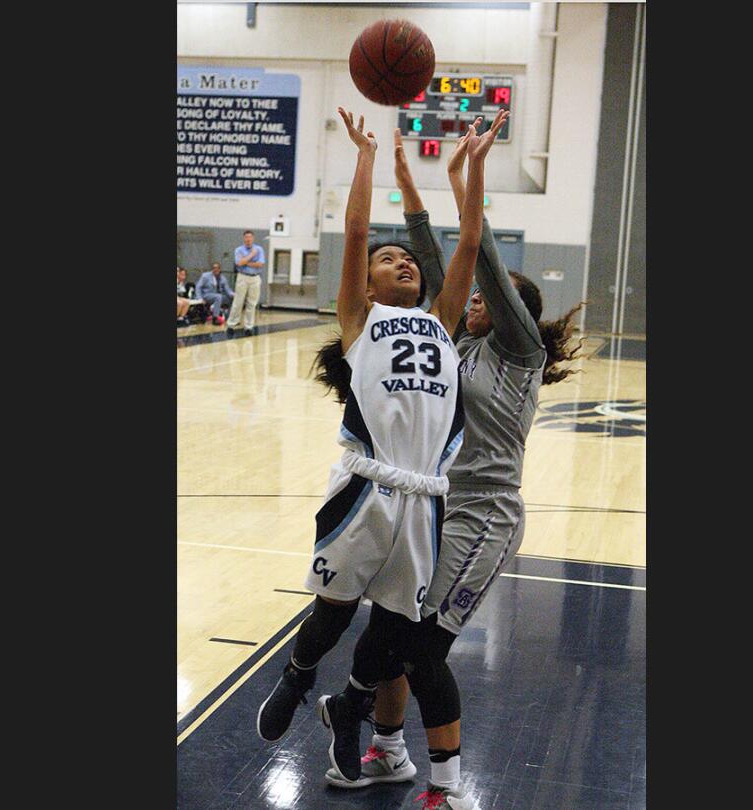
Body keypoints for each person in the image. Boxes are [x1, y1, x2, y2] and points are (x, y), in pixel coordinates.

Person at [320, 121, 584, 809]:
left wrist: (470, 174)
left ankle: (451, 790)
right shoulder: (450, 345)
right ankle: (386, 750)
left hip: (484, 517)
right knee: (386, 623)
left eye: (480, 302)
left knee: (423, 650)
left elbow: (478, 256)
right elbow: (443, 261)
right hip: (430, 507)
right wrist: (409, 183)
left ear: (507, 315)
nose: (466, 303)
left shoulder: (516, 355)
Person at [255, 106, 507, 789]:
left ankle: (353, 708)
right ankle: (299, 675)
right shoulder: (360, 321)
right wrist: (365, 157)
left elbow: (470, 243)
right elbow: (359, 228)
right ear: (365, 284)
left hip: (424, 496)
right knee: (333, 612)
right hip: (366, 486)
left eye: (405, 260)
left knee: (396, 628)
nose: (400, 262)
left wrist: (476, 167)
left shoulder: (441, 322)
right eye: (386, 261)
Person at [225, 230, 266, 332]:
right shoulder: (239, 250)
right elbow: (239, 263)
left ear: (253, 238)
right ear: (244, 239)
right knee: (238, 301)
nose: (248, 239)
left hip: (255, 277)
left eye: (250, 237)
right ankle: (231, 324)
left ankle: (248, 326)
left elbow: (260, 264)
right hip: (243, 276)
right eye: (246, 237)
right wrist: (251, 255)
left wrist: (246, 262)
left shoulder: (259, 249)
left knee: (252, 303)